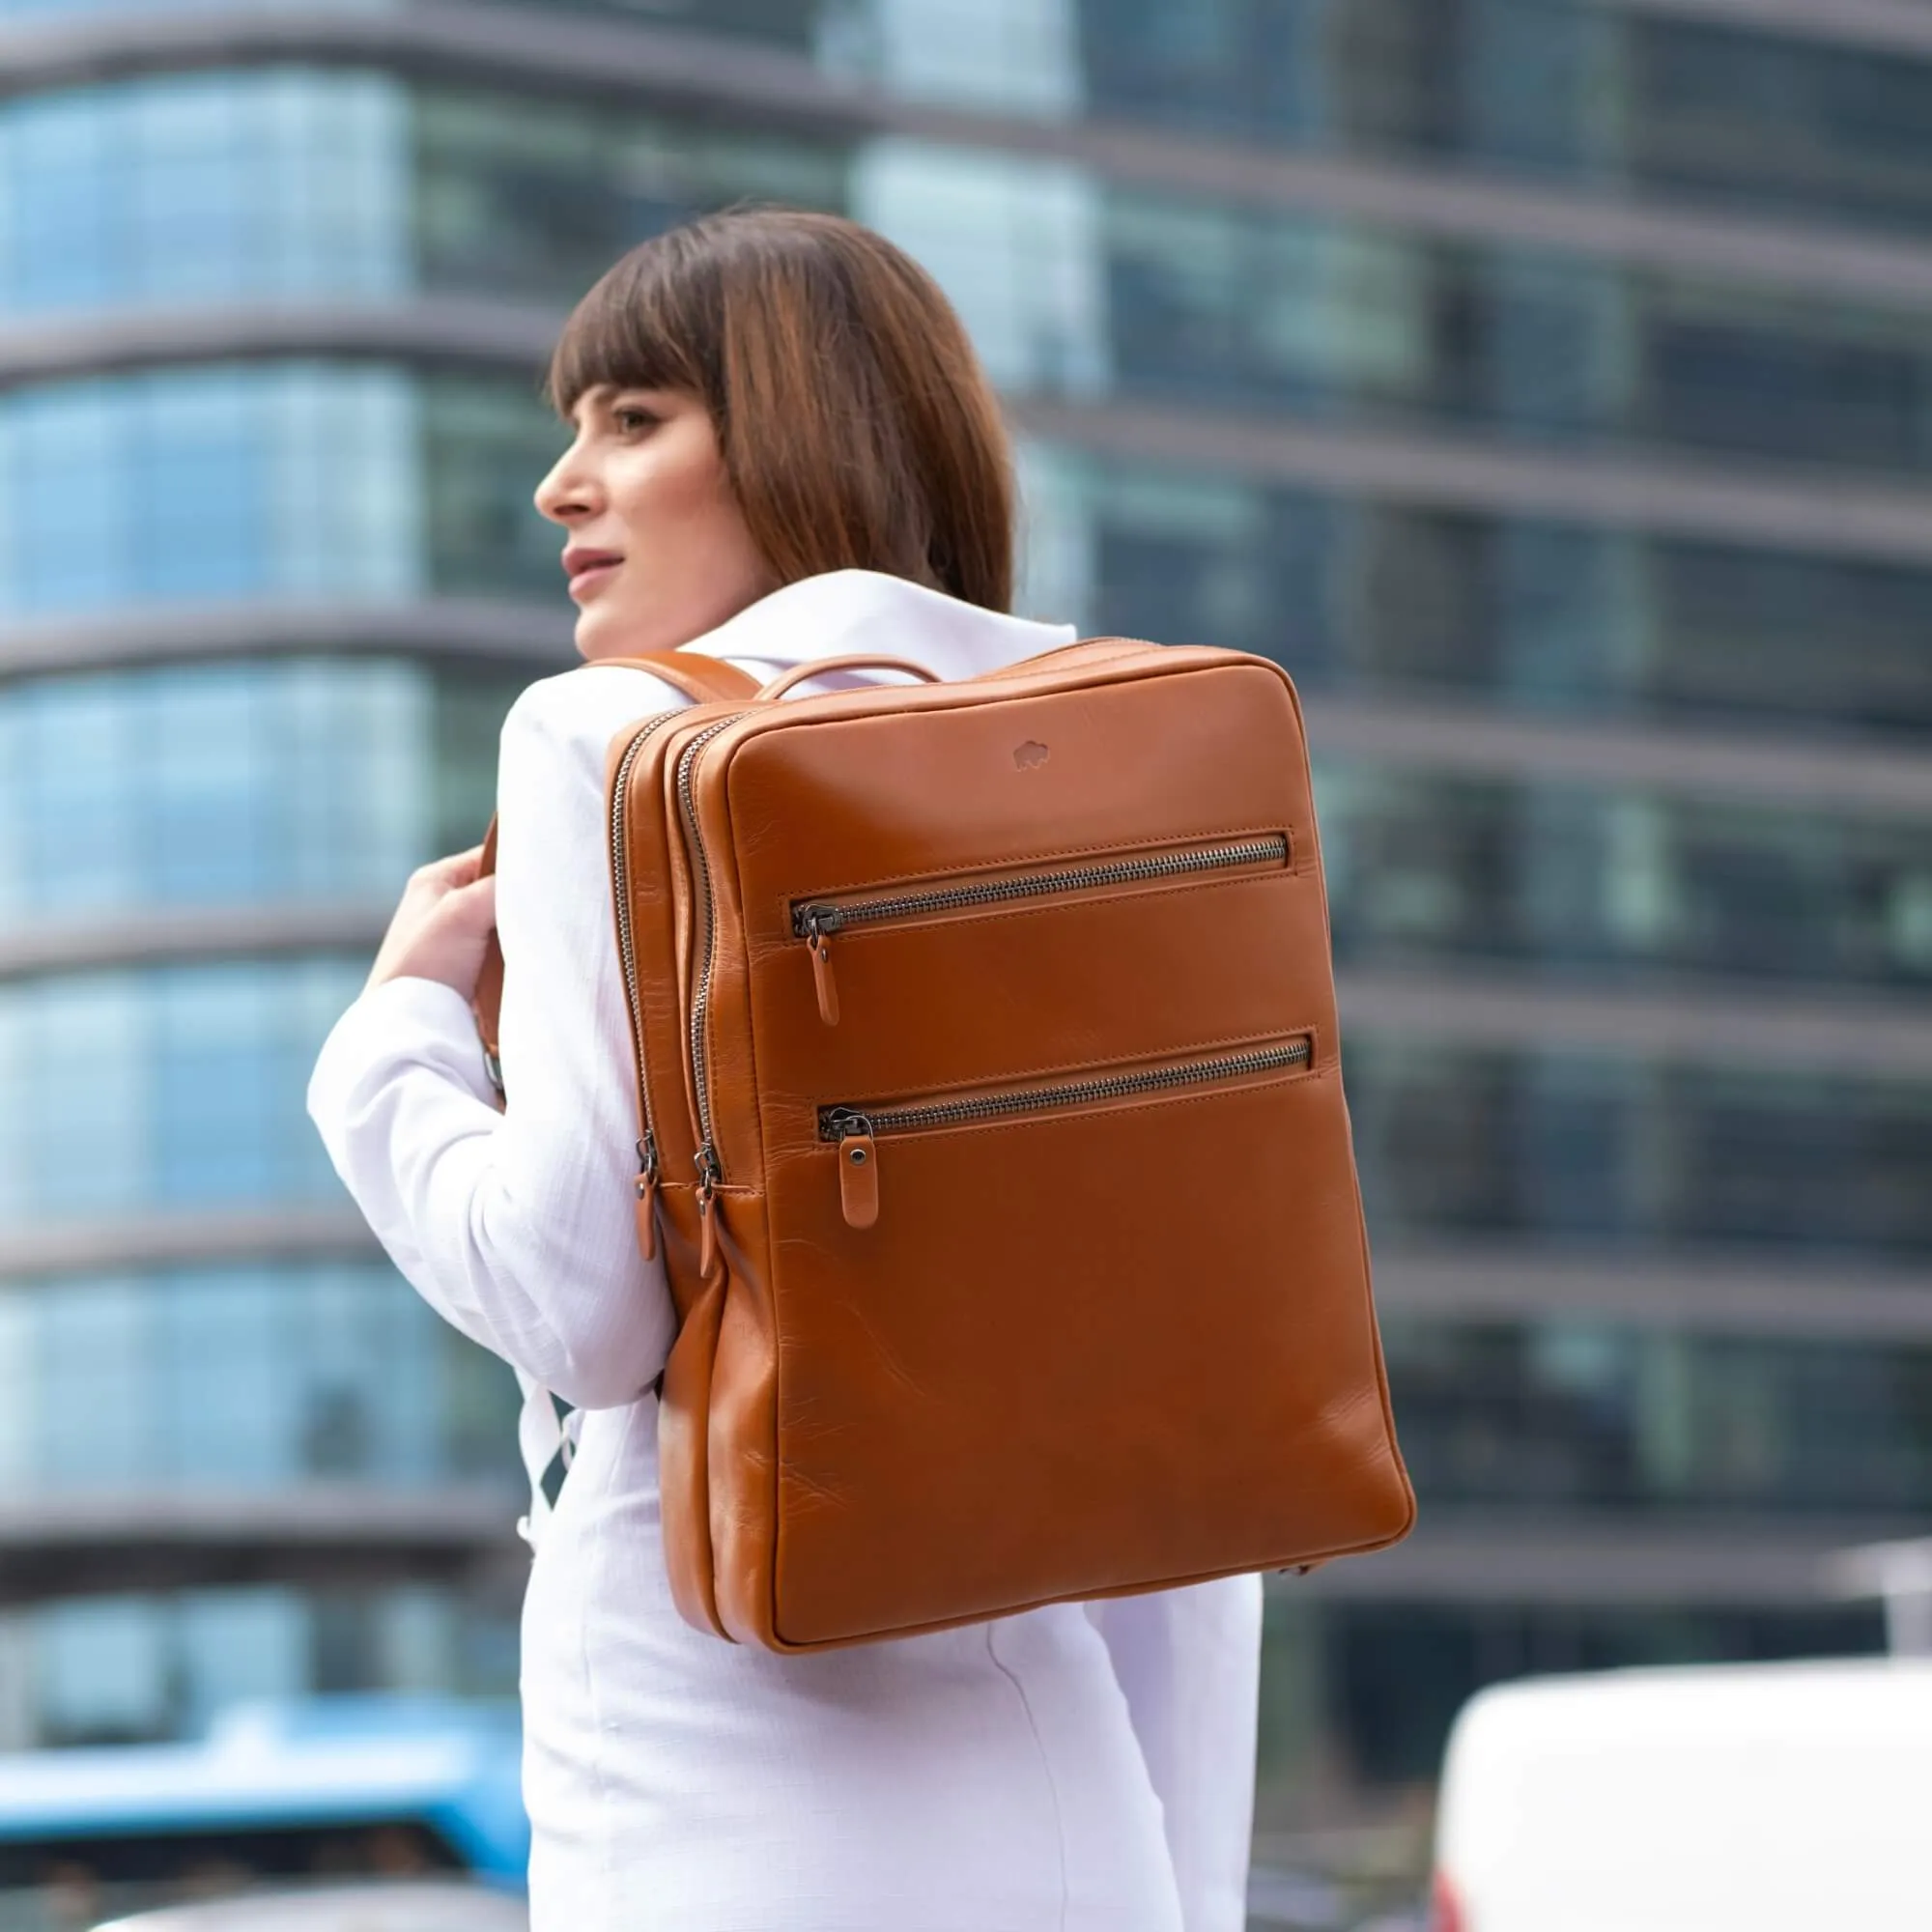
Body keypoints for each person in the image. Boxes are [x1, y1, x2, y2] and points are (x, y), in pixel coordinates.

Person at [307, 206, 1261, 1932]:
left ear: (800, 426)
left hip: (721, 1762)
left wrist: (393, 1050)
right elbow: (1195, 1457)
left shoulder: (603, 737)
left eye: (632, 417)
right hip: (1078, 1790)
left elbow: (585, 1306)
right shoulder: (1128, 741)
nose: (561, 485)